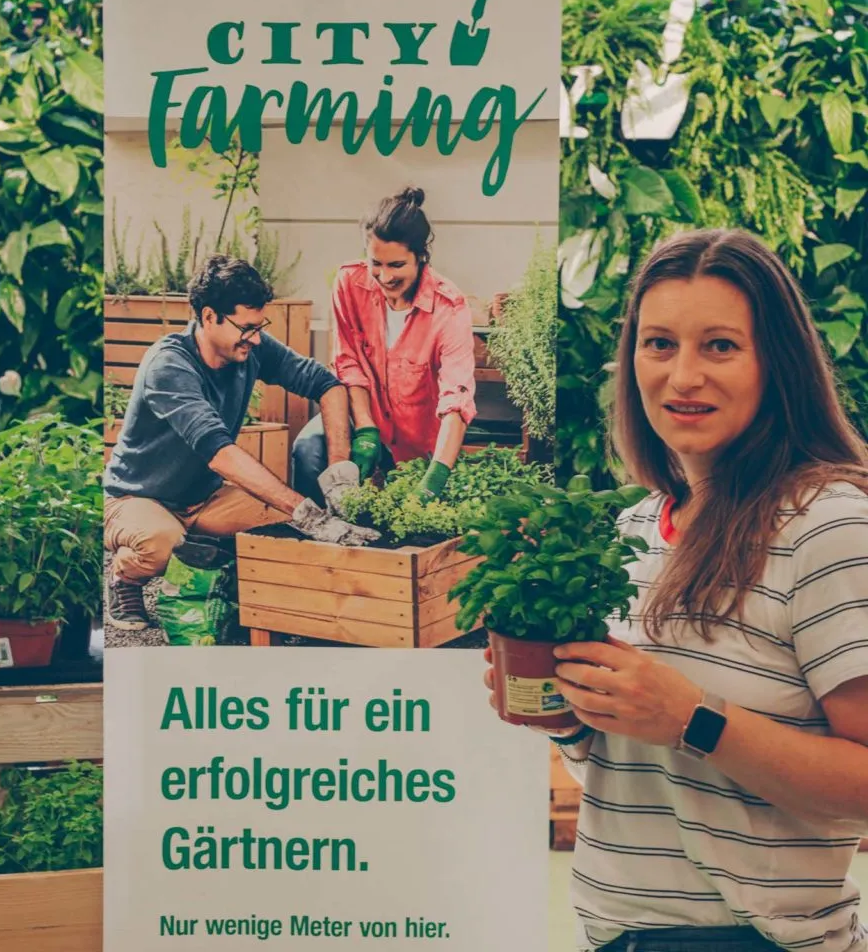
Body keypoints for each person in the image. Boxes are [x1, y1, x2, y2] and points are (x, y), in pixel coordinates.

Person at [485, 229, 868, 951]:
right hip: (615, 935)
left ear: (775, 365)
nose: (682, 376)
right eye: (659, 344)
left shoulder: (827, 523)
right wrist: (575, 720)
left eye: (719, 346)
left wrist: (693, 718)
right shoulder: (637, 526)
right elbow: (644, 775)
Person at [104, 254, 378, 630]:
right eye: (246, 327)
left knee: (289, 528)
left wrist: (340, 471)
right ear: (208, 316)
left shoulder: (250, 348)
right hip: (137, 498)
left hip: (204, 498)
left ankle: (208, 559)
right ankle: (125, 577)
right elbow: (219, 453)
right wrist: (306, 511)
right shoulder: (169, 367)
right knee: (163, 543)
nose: (256, 336)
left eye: (259, 325)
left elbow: (327, 385)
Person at [291, 186, 477, 507]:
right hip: (363, 415)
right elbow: (348, 362)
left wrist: (433, 479)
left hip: (415, 444)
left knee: (399, 517)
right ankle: (320, 542)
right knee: (308, 451)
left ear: (420, 256)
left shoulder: (449, 308)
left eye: (397, 265)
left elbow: (456, 400)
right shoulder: (350, 283)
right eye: (376, 263)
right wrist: (365, 431)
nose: (384, 276)